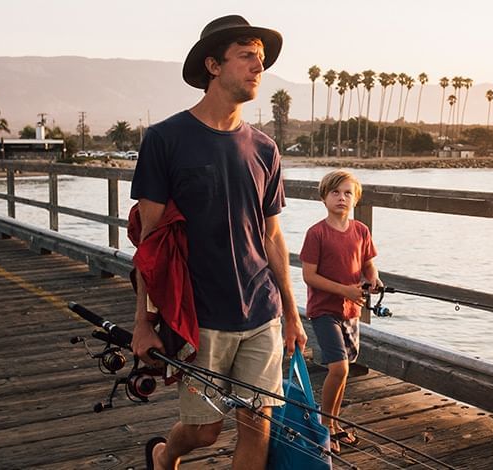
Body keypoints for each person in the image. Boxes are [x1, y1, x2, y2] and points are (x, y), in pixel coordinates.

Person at [129, 15, 306, 470]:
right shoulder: (166, 140)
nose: (258, 68)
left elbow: (271, 236)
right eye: (246, 56)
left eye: (261, 60)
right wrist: (144, 323)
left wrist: (290, 311)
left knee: (257, 423)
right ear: (213, 64)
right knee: (205, 431)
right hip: (199, 315)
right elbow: (150, 242)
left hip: (260, 310)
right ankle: (165, 454)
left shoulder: (265, 149)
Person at [299, 169, 381, 454]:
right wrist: (344, 289)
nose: (342, 198)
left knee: (343, 370)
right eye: (335, 192)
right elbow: (309, 276)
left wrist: (373, 278)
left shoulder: (361, 231)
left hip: (351, 311)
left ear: (356, 199)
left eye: (348, 193)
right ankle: (324, 426)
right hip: (324, 311)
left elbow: (369, 263)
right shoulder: (316, 233)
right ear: (324, 198)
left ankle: (333, 424)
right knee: (340, 367)